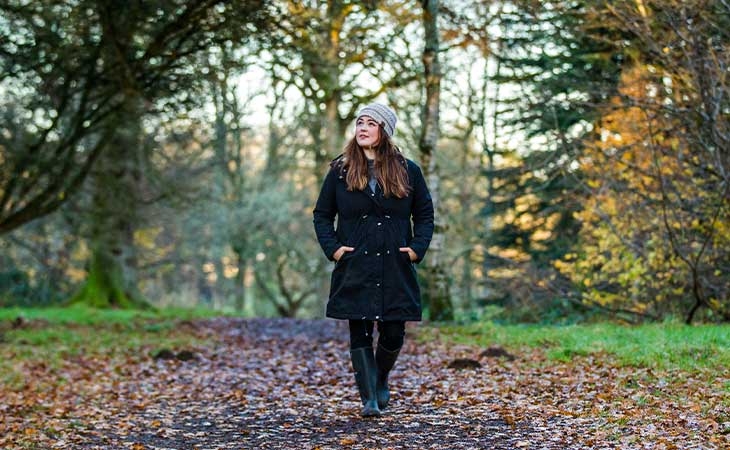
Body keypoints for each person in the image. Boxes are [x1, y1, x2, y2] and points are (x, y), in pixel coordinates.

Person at [312, 103, 434, 417]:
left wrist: (417, 248)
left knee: (394, 330)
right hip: (356, 263)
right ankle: (369, 400)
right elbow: (322, 215)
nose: (363, 128)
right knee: (360, 329)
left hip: (395, 263)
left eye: (371, 123)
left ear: (385, 131)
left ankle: (379, 379)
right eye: (360, 122)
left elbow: (424, 215)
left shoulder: (408, 170)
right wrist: (335, 249)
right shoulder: (340, 171)